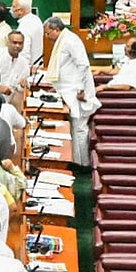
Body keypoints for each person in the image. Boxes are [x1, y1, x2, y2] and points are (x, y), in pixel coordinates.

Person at [43, 17, 101, 167]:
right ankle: (76, 160)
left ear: (56, 30)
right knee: (74, 127)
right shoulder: (63, 40)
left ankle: (82, 164)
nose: (47, 36)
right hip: (68, 90)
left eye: (48, 33)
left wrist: (82, 89)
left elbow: (83, 65)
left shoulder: (70, 40)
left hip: (77, 92)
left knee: (79, 127)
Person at [12, 0, 43, 64]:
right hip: (37, 64)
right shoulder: (36, 19)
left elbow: (23, 52)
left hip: (28, 68)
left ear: (21, 11)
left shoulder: (24, 26)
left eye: (14, 7)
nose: (12, 9)